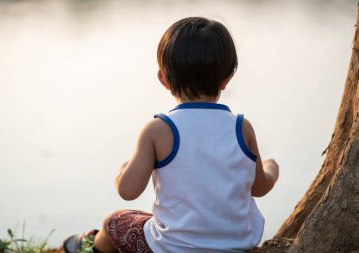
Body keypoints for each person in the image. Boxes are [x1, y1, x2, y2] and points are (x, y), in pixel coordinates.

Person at [63, 16, 279, 253]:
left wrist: (121, 170)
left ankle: (88, 247)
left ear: (163, 79)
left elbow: (127, 190)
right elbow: (259, 187)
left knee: (114, 222)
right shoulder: (242, 127)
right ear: (227, 78)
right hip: (235, 247)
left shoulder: (159, 129)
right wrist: (271, 168)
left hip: (171, 248)